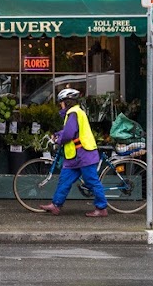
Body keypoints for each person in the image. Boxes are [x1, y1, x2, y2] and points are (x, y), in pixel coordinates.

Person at [40, 87, 108, 217]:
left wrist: (58, 140)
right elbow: (69, 131)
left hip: (84, 154)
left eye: (61, 102)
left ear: (67, 102)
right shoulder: (75, 112)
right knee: (64, 180)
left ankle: (102, 208)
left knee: (91, 181)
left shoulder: (73, 113)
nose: (60, 104)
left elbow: (69, 134)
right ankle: (56, 205)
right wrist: (58, 134)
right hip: (76, 156)